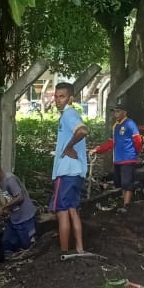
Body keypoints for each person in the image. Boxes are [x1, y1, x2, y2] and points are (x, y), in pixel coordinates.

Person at [50, 82, 88, 255]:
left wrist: (68, 147)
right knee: (73, 210)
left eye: (62, 96)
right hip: (77, 171)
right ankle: (79, 249)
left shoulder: (68, 114)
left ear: (70, 98)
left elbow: (82, 131)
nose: (58, 100)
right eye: (56, 96)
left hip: (66, 171)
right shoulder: (70, 114)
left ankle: (64, 252)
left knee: (62, 212)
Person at [92, 103, 143, 212]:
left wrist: (135, 153)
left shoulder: (130, 123)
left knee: (127, 183)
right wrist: (98, 150)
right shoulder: (115, 126)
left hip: (128, 159)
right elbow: (111, 143)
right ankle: (125, 204)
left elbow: (138, 140)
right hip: (118, 160)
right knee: (121, 184)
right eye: (115, 111)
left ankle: (127, 205)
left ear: (125, 112)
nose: (116, 113)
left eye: (118, 111)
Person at [0, 160, 37, 256]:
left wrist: (3, 207)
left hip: (25, 218)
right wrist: (7, 210)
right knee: (7, 243)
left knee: (29, 246)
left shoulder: (10, 180)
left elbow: (20, 197)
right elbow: (10, 198)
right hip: (14, 219)